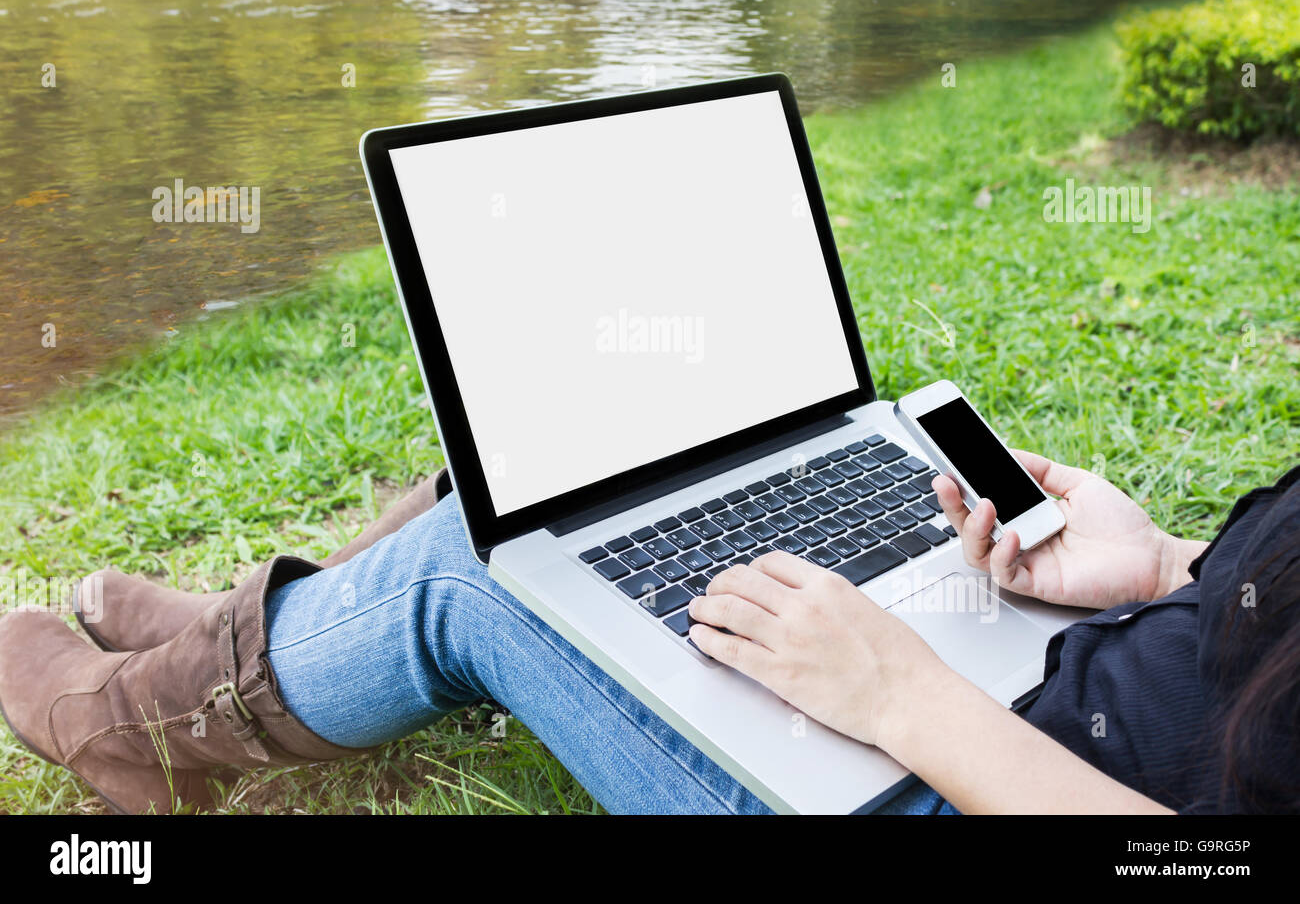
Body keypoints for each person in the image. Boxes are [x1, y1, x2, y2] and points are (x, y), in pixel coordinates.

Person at [0, 451, 1295, 815]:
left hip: (982, 771)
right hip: (1089, 679)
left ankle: (138, 728)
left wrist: (906, 699)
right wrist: (1174, 567)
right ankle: (273, 633)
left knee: (491, 564)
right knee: (560, 470)